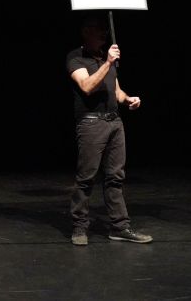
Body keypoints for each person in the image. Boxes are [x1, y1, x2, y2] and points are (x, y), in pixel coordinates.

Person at [66, 15, 152, 246]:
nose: (104, 33)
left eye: (105, 29)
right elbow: (87, 86)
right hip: (91, 123)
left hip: (115, 122)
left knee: (115, 177)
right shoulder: (76, 57)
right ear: (86, 31)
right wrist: (108, 63)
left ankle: (120, 227)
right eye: (98, 29)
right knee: (86, 177)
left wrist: (128, 99)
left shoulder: (106, 58)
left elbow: (116, 91)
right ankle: (79, 227)